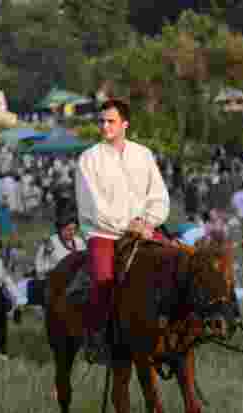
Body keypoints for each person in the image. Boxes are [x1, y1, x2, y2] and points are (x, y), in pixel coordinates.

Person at [75, 98, 170, 361]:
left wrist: (149, 222)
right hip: (104, 233)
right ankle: (97, 340)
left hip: (145, 229)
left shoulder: (143, 154)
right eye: (102, 121)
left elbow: (159, 196)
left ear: (125, 124)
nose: (105, 126)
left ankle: (174, 335)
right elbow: (92, 206)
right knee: (103, 282)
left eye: (111, 121)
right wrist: (128, 226)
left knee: (175, 262)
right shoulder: (89, 159)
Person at [33, 206, 85, 308]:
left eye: (74, 229)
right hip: (54, 283)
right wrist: (48, 271)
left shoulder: (79, 242)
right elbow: (38, 264)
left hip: (76, 283)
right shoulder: (50, 242)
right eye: (68, 229)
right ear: (60, 228)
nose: (72, 232)